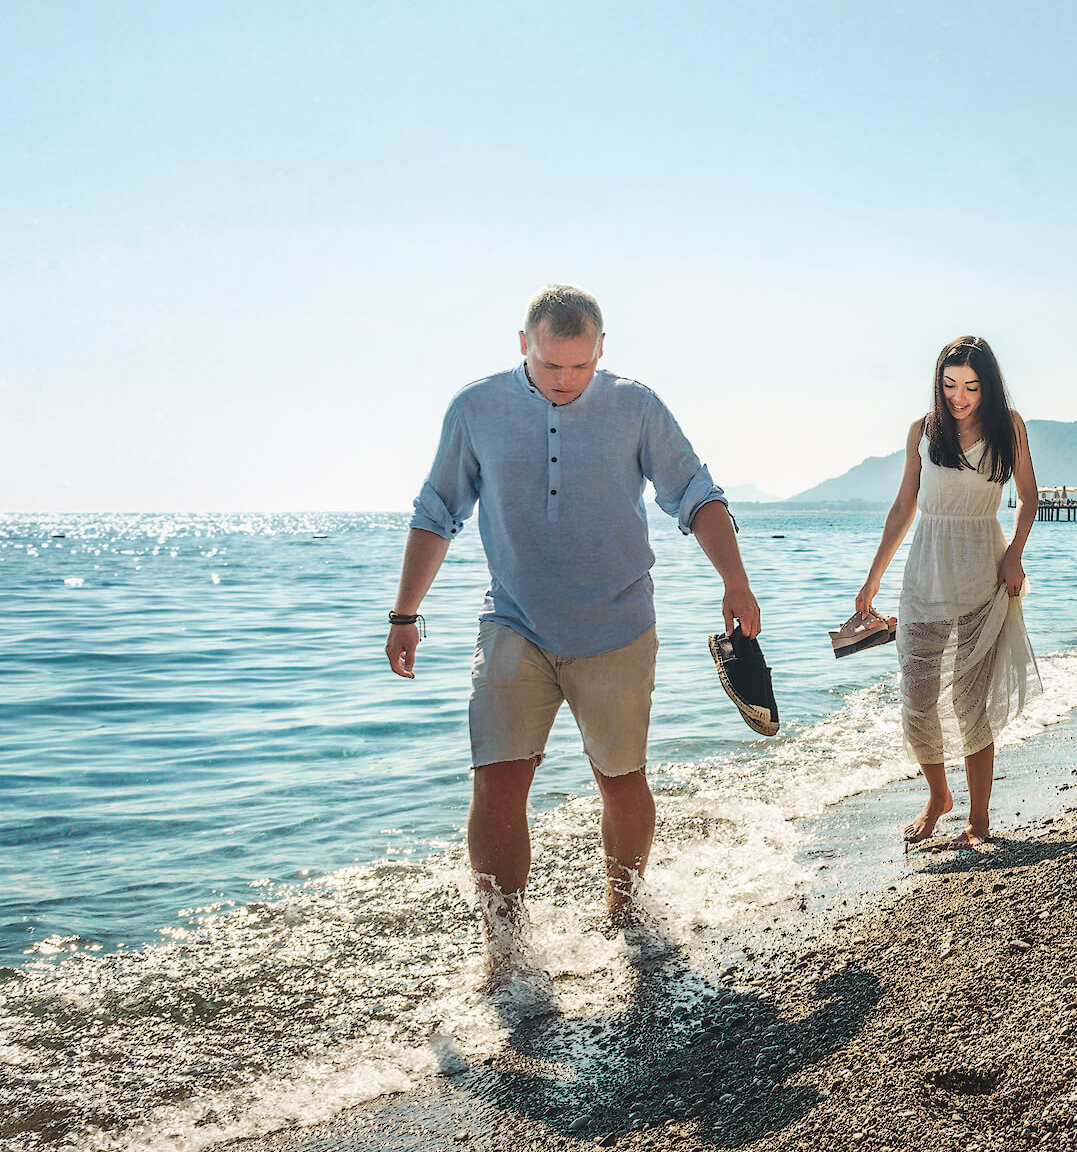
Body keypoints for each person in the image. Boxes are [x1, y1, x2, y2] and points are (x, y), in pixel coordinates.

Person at [384, 285, 761, 957]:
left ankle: (625, 915)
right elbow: (437, 509)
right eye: (551, 365)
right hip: (514, 621)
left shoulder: (636, 406)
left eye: (580, 367)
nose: (565, 381)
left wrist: (734, 580)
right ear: (522, 346)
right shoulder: (476, 409)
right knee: (496, 781)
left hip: (616, 624)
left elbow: (696, 493)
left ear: (602, 351)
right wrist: (405, 612)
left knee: (620, 779)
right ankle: (504, 948)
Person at [852, 336, 1040, 850]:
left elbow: (1028, 498)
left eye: (973, 387)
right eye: (951, 384)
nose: (960, 396)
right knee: (916, 696)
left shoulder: (1009, 427)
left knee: (969, 704)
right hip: (924, 574)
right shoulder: (923, 430)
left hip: (983, 570)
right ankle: (938, 796)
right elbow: (902, 506)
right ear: (938, 382)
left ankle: (978, 820)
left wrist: (1015, 555)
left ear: (989, 387)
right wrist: (872, 581)